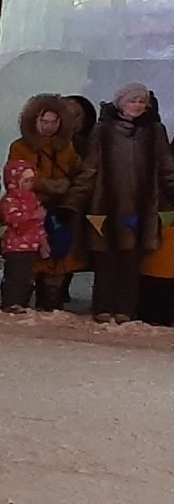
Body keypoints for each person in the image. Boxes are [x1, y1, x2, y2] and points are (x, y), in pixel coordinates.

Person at [69, 82, 174, 323]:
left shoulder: (155, 130)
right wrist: (73, 202)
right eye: (132, 101)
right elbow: (90, 169)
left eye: (141, 101)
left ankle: (125, 308)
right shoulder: (103, 130)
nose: (137, 106)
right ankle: (103, 307)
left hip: (141, 208)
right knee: (106, 262)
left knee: (131, 263)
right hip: (105, 208)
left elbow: (167, 168)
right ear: (121, 103)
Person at [6, 95, 84, 311]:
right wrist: (52, 185)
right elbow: (16, 177)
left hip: (59, 211)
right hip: (29, 212)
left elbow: (79, 174)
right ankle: (18, 305)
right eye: (44, 122)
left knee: (57, 261)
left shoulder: (66, 148)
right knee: (29, 261)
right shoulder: (21, 147)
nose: (49, 127)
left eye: (54, 122)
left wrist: (68, 193)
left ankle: (50, 306)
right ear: (34, 121)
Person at [0, 159, 48, 314]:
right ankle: (10, 302)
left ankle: (22, 302)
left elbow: (39, 224)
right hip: (14, 246)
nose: (29, 184)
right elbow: (12, 220)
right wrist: (34, 216)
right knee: (14, 276)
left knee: (27, 277)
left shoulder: (32, 198)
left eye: (32, 180)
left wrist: (43, 240)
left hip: (31, 246)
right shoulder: (10, 200)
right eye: (26, 180)